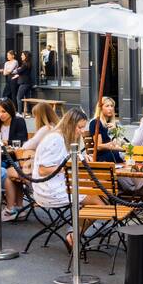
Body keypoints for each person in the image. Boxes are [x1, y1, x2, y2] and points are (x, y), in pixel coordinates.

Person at [30, 107, 103, 250]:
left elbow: (63, 158)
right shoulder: (56, 139)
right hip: (48, 189)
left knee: (99, 196)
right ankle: (74, 235)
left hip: (58, 185)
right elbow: (43, 169)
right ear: (70, 124)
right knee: (99, 202)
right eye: (80, 127)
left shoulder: (62, 137)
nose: (82, 131)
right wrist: (70, 167)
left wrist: (80, 158)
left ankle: (75, 231)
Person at [88, 96, 124, 163]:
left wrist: (116, 130)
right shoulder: (96, 123)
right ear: (101, 108)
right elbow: (98, 146)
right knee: (121, 154)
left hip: (112, 153)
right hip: (102, 156)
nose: (110, 108)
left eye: (111, 106)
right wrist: (111, 145)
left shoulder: (113, 123)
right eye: (107, 106)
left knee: (131, 152)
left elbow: (120, 142)